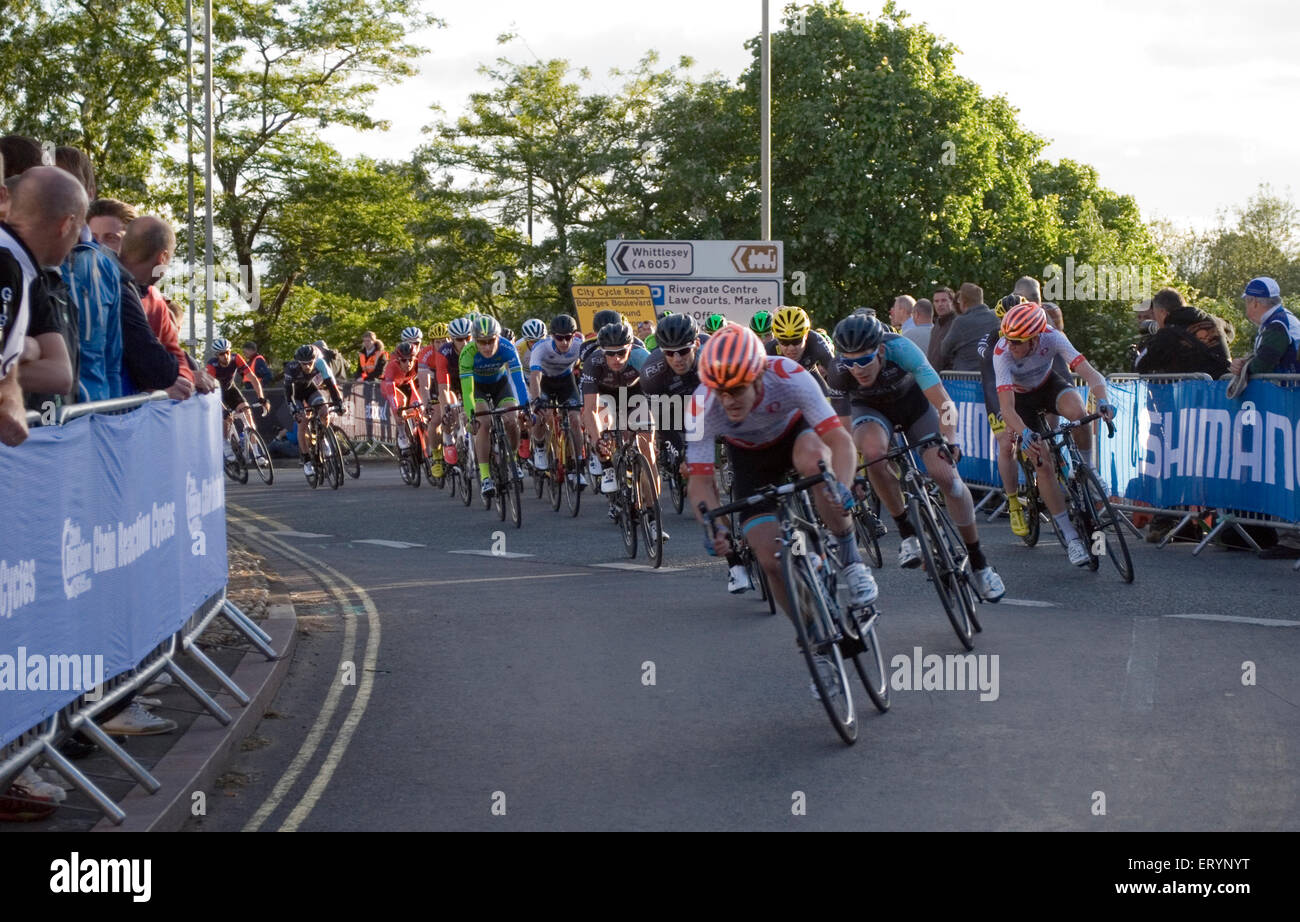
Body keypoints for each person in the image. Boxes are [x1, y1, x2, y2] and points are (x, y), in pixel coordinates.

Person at [687, 325, 879, 646]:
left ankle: (851, 560)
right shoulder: (702, 405)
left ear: (759, 377)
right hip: (749, 459)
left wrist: (842, 487)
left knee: (816, 465)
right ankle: (815, 639)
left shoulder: (788, 375)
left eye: (735, 389)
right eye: (719, 391)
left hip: (795, 435)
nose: (727, 400)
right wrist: (714, 527)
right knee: (770, 560)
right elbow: (701, 482)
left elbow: (840, 442)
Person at [828, 313, 1005, 600]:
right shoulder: (838, 372)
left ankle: (979, 562)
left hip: (913, 407)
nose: (857, 369)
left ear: (880, 351)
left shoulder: (902, 349)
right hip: (870, 413)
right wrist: (854, 476)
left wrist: (950, 440)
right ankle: (907, 532)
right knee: (872, 454)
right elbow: (845, 436)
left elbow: (945, 404)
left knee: (946, 476)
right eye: (850, 361)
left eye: (864, 360)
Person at [993, 303, 1114, 566]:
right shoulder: (1002, 352)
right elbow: (1007, 408)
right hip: (1020, 401)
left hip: (1048, 384)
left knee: (1080, 415)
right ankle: (1071, 538)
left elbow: (1091, 374)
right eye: (1008, 339)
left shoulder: (1053, 336)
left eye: (1018, 341)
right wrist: (1024, 433)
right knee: (1042, 463)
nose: (1011, 345)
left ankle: (1088, 471)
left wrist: (1103, 400)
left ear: (1036, 338)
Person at [1, 166, 82, 405]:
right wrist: (26, 350)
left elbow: (60, 376)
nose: (77, 241)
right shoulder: (6, 264)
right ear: (66, 224)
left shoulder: (34, 276)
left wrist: (20, 352)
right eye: (78, 230)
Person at [119, 216, 195, 402]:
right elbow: (156, 365)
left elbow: (175, 354)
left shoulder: (155, 298)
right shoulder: (114, 287)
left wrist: (184, 379)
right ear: (162, 258)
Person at [459, 314, 529, 498]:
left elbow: (518, 380)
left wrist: (524, 406)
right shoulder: (467, 353)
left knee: (512, 420)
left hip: (500, 385)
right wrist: (471, 414)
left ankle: (512, 461)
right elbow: (467, 391)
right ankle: (485, 476)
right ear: (475, 341)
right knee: (483, 422)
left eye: (491, 341)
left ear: (498, 337)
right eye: (482, 342)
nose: (488, 346)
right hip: (478, 388)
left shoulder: (507, 347)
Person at [527, 313, 586, 477]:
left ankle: (578, 462)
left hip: (566, 383)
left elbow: (588, 371)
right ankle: (539, 447)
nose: (565, 342)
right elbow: (535, 376)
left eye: (568, 337)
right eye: (560, 338)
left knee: (575, 419)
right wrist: (536, 399)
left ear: (574, 335)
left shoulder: (579, 346)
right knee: (540, 415)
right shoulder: (541, 348)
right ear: (552, 336)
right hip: (545, 382)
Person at [1135, 287, 1232, 378]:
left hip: (1194, 392)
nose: (1157, 321)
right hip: (1223, 388)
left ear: (1163, 312)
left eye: (1156, 316)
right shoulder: (1215, 321)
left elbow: (1140, 365)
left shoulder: (1167, 334)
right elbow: (1230, 332)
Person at [284, 343, 345, 479]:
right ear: (298, 362)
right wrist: (294, 410)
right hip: (296, 395)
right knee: (302, 422)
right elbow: (289, 395)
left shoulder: (320, 363)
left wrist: (338, 402)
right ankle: (306, 461)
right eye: (303, 364)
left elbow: (331, 384)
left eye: (309, 363)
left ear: (314, 360)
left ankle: (323, 440)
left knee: (324, 410)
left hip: (310, 390)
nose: (307, 366)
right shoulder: (291, 368)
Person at [1231, 277, 1299, 377]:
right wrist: (1246, 361)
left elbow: (1262, 366)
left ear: (1254, 303)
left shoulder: (1277, 324)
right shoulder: (1281, 318)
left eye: (1246, 302)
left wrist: (1243, 368)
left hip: (1290, 390)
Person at [766, 305, 835, 394]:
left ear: (806, 336)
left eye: (796, 341)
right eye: (784, 342)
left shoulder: (817, 342)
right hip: (780, 382)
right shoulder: (770, 350)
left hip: (809, 374)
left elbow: (837, 374)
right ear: (777, 340)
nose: (791, 348)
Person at [940, 282, 1000, 371]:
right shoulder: (996, 317)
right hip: (991, 375)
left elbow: (944, 350)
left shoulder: (961, 322)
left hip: (966, 379)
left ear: (963, 303)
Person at [926, 286, 957, 372]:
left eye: (944, 300)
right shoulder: (936, 325)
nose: (940, 304)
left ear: (952, 302)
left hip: (951, 378)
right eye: (936, 301)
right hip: (935, 377)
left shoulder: (957, 323)